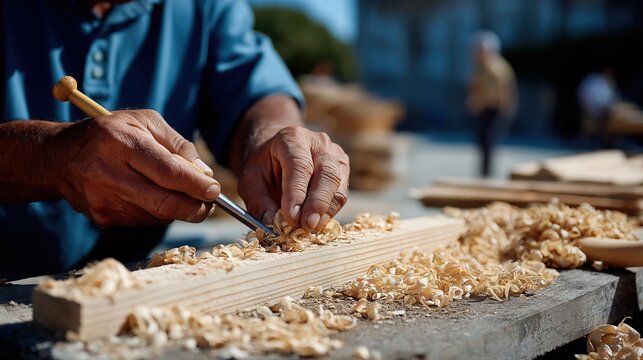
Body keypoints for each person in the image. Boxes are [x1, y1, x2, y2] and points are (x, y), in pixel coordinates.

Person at [0, 0, 349, 280]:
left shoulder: (205, 8)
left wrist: (271, 139)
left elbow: (255, 95)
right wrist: (52, 157)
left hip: (127, 283)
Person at [467, 30, 517, 177]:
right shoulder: (483, 67)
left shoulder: (495, 67)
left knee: (488, 142)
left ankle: (486, 175)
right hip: (487, 108)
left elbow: (494, 95)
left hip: (494, 109)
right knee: (484, 143)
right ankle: (484, 174)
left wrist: (476, 102)